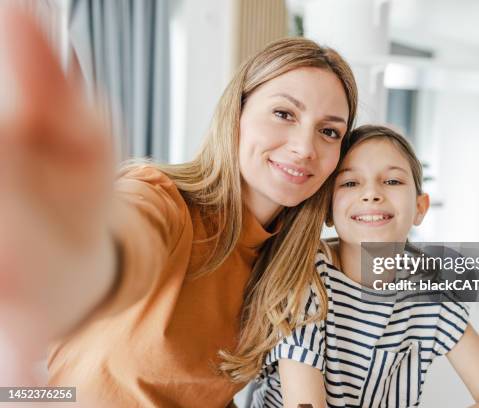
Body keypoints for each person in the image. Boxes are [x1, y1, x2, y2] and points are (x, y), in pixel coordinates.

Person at [0, 6, 358, 407]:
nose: (304, 147)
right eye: (283, 113)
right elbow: (120, 248)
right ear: (236, 114)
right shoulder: (161, 199)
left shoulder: (291, 267)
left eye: (329, 132)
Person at [253, 125, 479, 407]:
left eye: (392, 182)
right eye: (350, 183)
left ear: (420, 208)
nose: (371, 193)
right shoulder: (306, 279)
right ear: (328, 211)